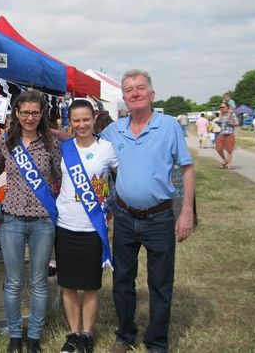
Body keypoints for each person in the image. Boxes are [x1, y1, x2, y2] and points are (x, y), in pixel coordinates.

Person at [100, 69, 195, 353]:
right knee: (122, 281)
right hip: (126, 217)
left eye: (141, 88)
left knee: (161, 284)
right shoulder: (113, 130)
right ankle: (125, 336)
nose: (135, 93)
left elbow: (187, 170)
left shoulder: (169, 126)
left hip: (160, 217)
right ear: (124, 98)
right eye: (129, 90)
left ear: (152, 94)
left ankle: (156, 342)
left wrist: (186, 212)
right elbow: (84, 143)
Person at [0, 89, 62, 353]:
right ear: (17, 113)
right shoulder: (5, 142)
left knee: (38, 281)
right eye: (25, 112)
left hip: (43, 221)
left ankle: (33, 336)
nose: (30, 117)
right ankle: (14, 336)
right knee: (12, 281)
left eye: (35, 112)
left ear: (42, 113)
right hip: (11, 219)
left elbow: (59, 176)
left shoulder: (51, 144)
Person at [56, 99, 117, 353]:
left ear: (94, 119)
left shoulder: (107, 148)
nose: (81, 124)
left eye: (86, 119)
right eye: (76, 120)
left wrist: (111, 205)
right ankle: (73, 333)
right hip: (66, 223)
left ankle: (87, 334)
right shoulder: (64, 148)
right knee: (68, 284)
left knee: (91, 285)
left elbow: (121, 179)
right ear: (70, 121)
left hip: (93, 226)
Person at [215, 102, 239, 169]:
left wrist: (231, 123)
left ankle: (229, 164)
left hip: (230, 134)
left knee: (229, 150)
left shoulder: (232, 114)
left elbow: (237, 123)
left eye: (223, 107)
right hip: (222, 133)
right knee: (218, 148)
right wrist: (219, 123)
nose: (221, 108)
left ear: (227, 107)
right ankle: (225, 160)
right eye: (221, 107)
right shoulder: (221, 114)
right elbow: (221, 124)